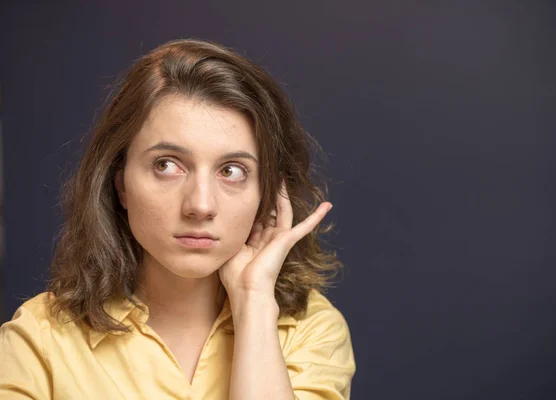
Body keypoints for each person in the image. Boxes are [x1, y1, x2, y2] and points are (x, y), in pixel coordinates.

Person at [0, 39, 355, 399]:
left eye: (231, 170)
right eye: (166, 165)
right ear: (120, 182)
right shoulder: (38, 339)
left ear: (267, 193)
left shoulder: (311, 331)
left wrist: (253, 300)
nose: (200, 205)